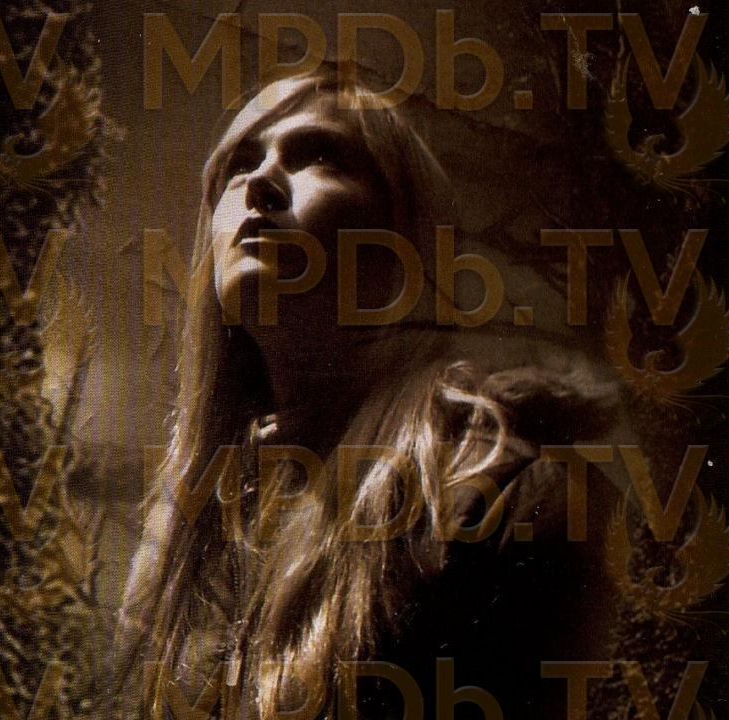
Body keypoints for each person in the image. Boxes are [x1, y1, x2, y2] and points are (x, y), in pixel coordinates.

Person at [113, 66, 634, 719]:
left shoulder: (509, 495)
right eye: (240, 164)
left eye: (320, 156)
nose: (261, 183)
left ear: (404, 240)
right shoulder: (196, 535)